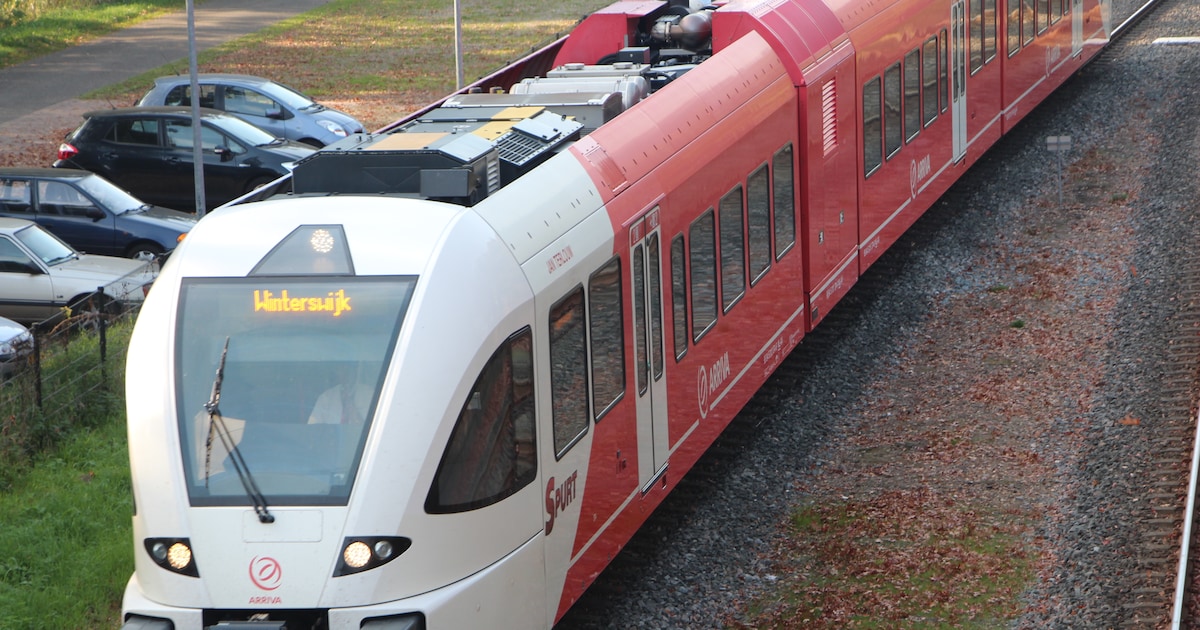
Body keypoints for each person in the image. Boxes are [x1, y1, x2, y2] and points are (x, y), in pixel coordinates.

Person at [308, 363, 374, 424]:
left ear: (355, 370)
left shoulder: (370, 395)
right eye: (342, 369)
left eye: (348, 368)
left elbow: (376, 427)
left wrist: (353, 410)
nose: (346, 373)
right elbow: (312, 427)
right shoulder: (326, 398)